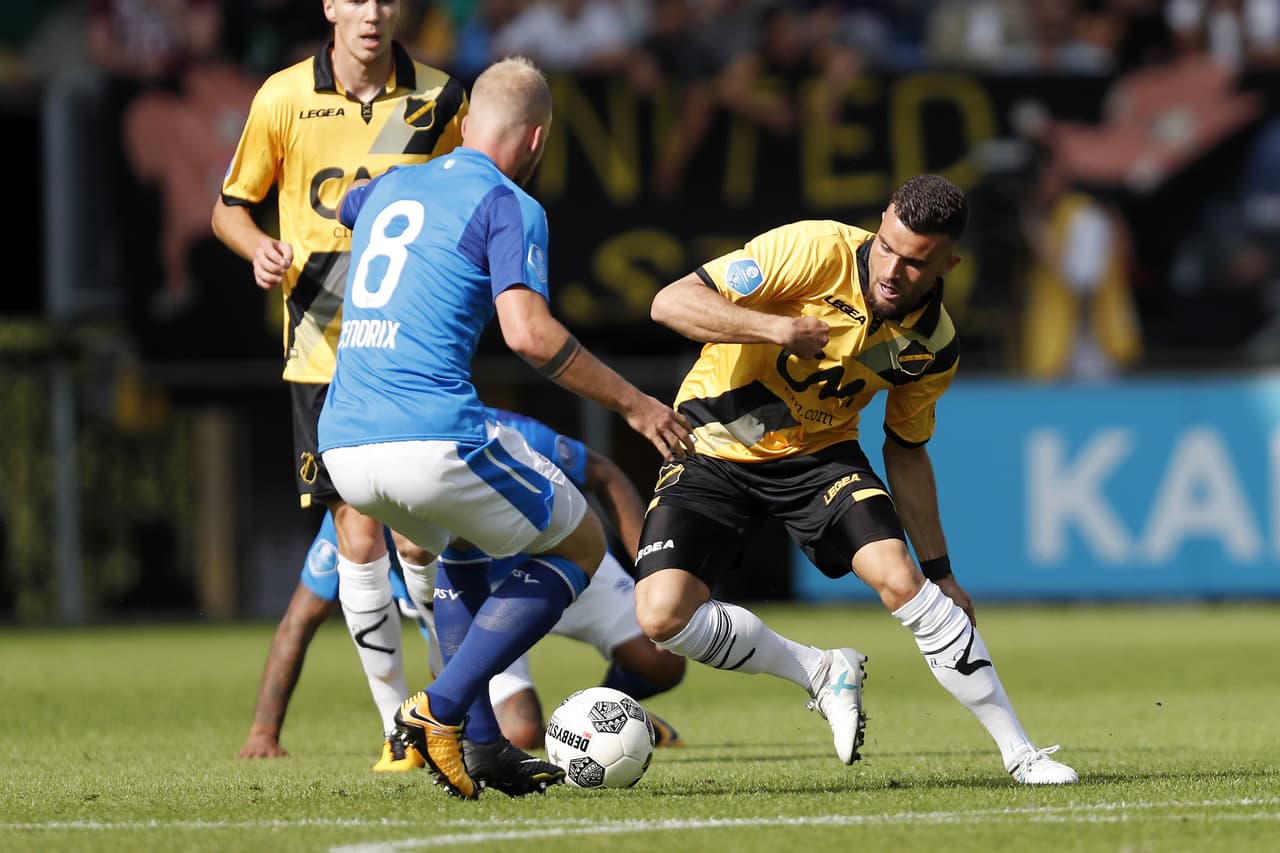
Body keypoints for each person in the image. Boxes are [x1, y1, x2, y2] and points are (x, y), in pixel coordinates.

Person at [317, 56, 693, 800]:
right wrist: (636, 404)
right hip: (429, 435)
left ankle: (482, 747)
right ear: (538, 140)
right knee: (581, 541)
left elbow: (343, 201)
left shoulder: (392, 185)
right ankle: (438, 708)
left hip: (343, 448)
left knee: (462, 543)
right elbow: (529, 335)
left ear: (462, 125)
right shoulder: (509, 202)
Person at [632, 174, 1080, 785]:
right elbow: (669, 303)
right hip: (714, 440)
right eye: (888, 247)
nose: (892, 270)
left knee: (902, 580)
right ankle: (818, 671)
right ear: (881, 222)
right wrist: (776, 328)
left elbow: (908, 451)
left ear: (949, 262)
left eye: (916, 262)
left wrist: (942, 573)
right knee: (661, 618)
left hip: (820, 456)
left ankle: (1021, 754)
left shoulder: (932, 345)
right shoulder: (814, 251)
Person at [210, 0, 468, 771]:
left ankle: (447, 701)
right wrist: (257, 248)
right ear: (330, 6)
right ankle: (402, 728)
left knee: (421, 537)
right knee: (359, 532)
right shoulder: (284, 96)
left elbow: (472, 195)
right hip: (324, 353)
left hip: (412, 349)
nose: (372, 13)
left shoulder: (441, 100)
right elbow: (230, 207)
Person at [236, 406, 686, 760]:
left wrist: (650, 574)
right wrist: (262, 731)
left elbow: (602, 474)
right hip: (479, 603)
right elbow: (302, 616)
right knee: (521, 730)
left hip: (556, 557)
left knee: (663, 659)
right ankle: (584, 728)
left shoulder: (508, 434)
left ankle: (609, 715)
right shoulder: (360, 511)